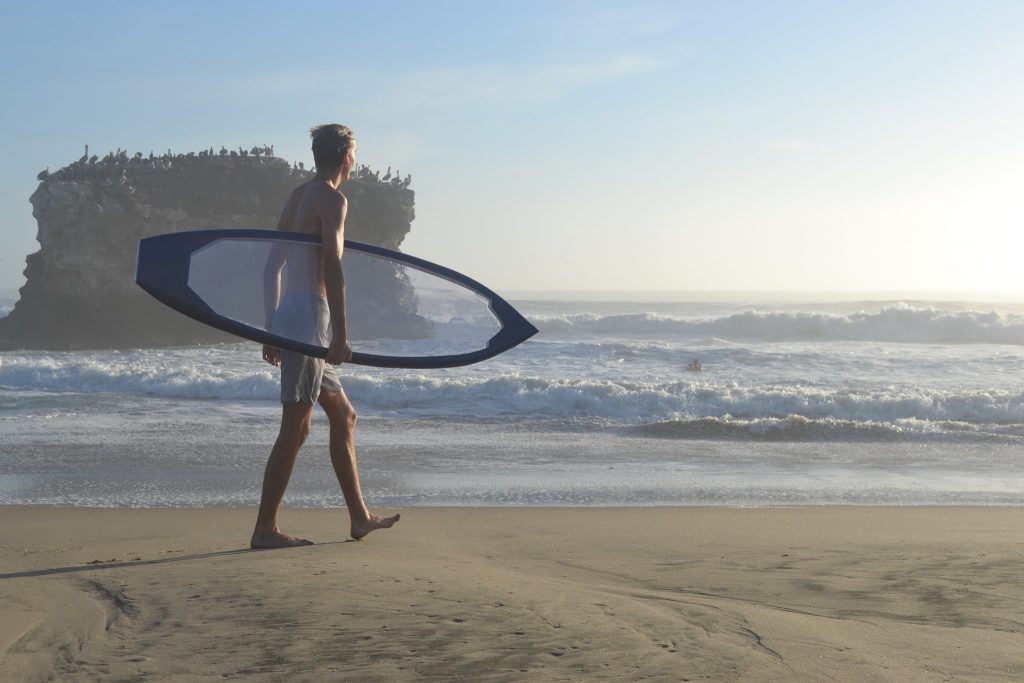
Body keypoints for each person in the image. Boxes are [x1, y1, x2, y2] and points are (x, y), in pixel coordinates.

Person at [251, 124, 400, 549]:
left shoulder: (296, 196)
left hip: (290, 315)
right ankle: (265, 529)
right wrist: (342, 335)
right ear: (345, 157)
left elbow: (271, 268)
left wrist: (271, 328)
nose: (356, 160)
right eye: (354, 153)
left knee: (344, 415)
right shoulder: (332, 199)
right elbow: (333, 266)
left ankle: (359, 517)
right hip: (312, 317)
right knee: (295, 428)